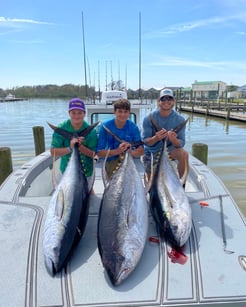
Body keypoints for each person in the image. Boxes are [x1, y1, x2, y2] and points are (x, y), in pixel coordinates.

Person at [142, 88, 189, 182]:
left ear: (174, 101)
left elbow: (181, 143)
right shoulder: (149, 118)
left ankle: (181, 185)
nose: (166, 101)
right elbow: (145, 141)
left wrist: (173, 140)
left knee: (184, 154)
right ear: (159, 101)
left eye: (169, 98)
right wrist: (156, 138)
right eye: (163, 99)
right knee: (150, 183)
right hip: (151, 152)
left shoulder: (180, 120)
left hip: (170, 151)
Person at [50, 97, 97, 190]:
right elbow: (53, 152)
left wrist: (80, 147)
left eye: (80, 113)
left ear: (84, 114)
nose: (76, 116)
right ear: (69, 113)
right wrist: (71, 148)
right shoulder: (62, 128)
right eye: (73, 113)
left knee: (87, 195)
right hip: (66, 171)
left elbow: (94, 155)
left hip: (87, 172)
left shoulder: (91, 131)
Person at [96, 98, 144, 178]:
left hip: (129, 162)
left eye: (125, 112)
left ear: (129, 113)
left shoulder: (133, 127)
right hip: (110, 162)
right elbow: (99, 153)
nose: (123, 115)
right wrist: (118, 151)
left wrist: (129, 152)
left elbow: (141, 151)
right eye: (120, 111)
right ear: (114, 112)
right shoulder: (105, 126)